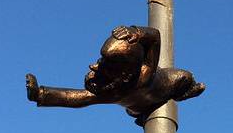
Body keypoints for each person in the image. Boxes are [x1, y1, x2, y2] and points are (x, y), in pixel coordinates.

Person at [26, 25, 204, 125]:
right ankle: (141, 115)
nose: (94, 66)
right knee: (135, 110)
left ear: (124, 73)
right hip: (136, 107)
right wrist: (40, 94)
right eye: (100, 61)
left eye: (105, 66)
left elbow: (155, 37)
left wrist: (137, 32)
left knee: (185, 77)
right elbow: (75, 98)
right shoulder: (112, 91)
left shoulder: (144, 74)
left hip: (167, 86)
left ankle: (188, 92)